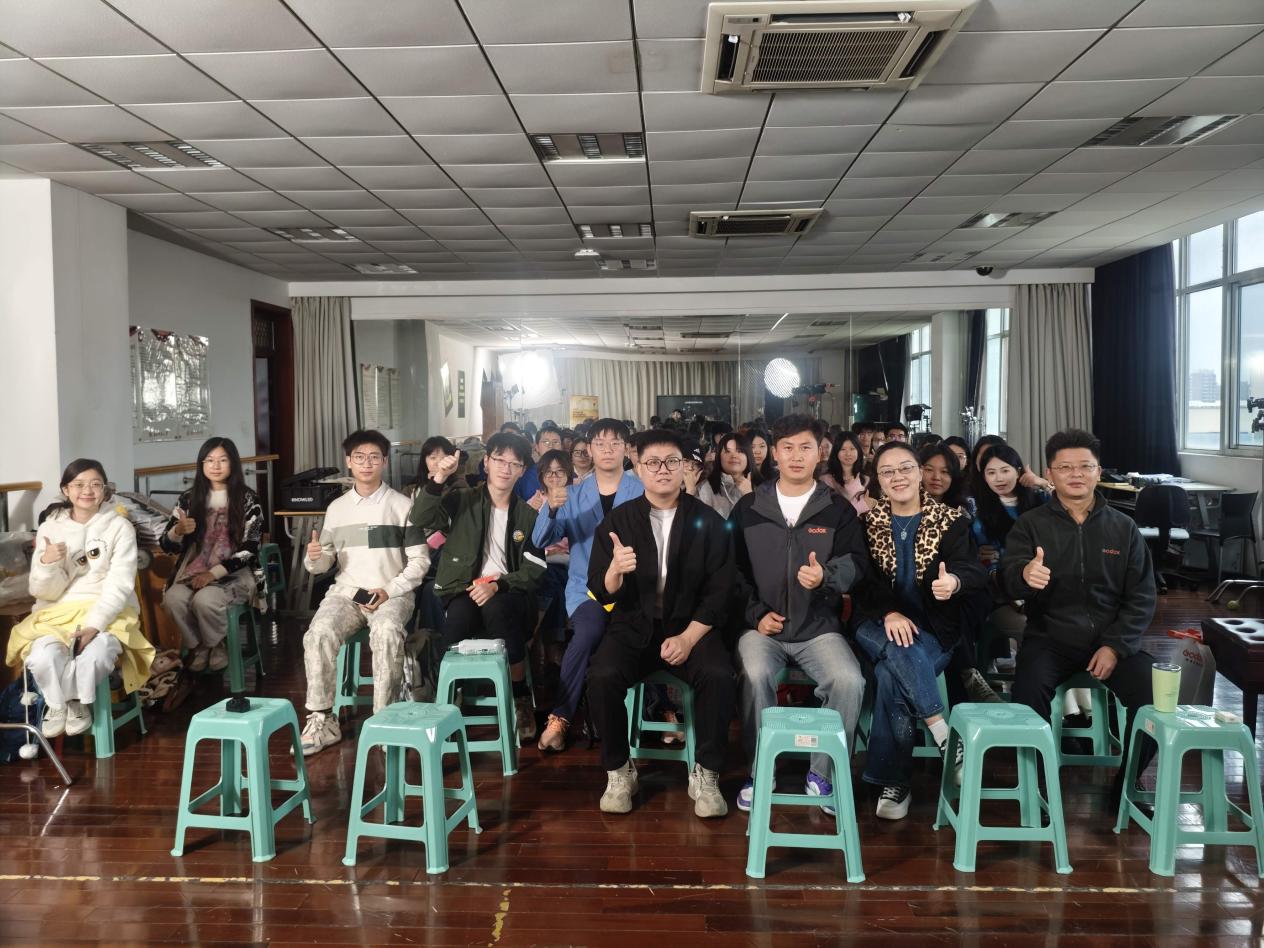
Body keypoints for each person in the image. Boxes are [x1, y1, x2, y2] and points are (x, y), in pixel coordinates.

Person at [1000, 429, 1158, 810]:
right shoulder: (1031, 525)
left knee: (1155, 698)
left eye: (1085, 466)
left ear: (1098, 471)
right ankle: (1039, 792)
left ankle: (1126, 787)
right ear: (1049, 474)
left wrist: (1115, 646)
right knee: (1027, 698)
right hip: (1049, 638)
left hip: (1109, 639)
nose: (1076, 474)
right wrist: (1024, 575)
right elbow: (1006, 576)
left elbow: (1142, 597)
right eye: (1065, 467)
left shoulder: (1123, 528)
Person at [586, 429, 735, 818]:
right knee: (601, 676)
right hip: (634, 626)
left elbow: (721, 591)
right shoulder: (619, 521)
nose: (663, 469)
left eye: (672, 461)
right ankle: (619, 770)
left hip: (692, 627)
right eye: (652, 462)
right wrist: (615, 570)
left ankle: (707, 772)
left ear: (685, 467)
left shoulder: (708, 521)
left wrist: (688, 638)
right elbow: (599, 589)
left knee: (719, 675)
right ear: (638, 468)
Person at [731, 414, 868, 813]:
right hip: (763, 628)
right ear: (774, 454)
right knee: (754, 674)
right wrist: (755, 613)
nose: (796, 456)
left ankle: (823, 773)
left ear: (819, 453)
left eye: (805, 447)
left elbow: (857, 562)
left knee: (849, 680)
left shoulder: (837, 509)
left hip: (818, 627)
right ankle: (761, 770)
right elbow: (730, 571)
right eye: (787, 447)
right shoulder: (749, 507)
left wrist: (826, 576)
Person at [852, 441, 989, 819]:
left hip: (933, 631)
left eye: (905, 468)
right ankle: (944, 734)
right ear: (878, 480)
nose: (897, 477)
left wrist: (954, 582)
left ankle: (894, 782)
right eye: (887, 472)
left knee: (890, 674)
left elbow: (973, 571)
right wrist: (890, 612)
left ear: (919, 473)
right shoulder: (866, 524)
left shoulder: (951, 522)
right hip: (875, 625)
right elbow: (861, 583)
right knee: (897, 645)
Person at [300, 430, 428, 755]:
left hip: (392, 593)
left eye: (374, 457)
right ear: (348, 461)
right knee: (318, 632)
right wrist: (314, 558)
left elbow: (420, 561)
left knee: (385, 632)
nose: (366, 463)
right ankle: (322, 719)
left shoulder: (403, 506)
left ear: (385, 461)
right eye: (359, 457)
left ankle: (385, 720)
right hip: (347, 593)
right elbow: (324, 560)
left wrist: (389, 590)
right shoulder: (337, 508)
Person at [413, 431, 546, 741]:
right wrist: (439, 479)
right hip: (463, 588)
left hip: (507, 592)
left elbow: (535, 568)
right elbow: (420, 518)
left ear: (522, 471)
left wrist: (500, 584)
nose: (506, 469)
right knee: (458, 619)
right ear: (486, 462)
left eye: (514, 464)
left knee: (497, 610)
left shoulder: (528, 516)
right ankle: (450, 695)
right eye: (500, 460)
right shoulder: (462, 500)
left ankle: (519, 696)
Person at [6, 460, 154, 739]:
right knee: (42, 656)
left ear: (105, 490)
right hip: (56, 611)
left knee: (96, 655)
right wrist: (47, 564)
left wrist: (94, 625)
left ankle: (76, 703)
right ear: (66, 490)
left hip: (108, 611)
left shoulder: (120, 527)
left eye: (95, 484)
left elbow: (119, 585)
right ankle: (58, 705)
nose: (87, 491)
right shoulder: (50, 528)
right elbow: (43, 592)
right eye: (79, 484)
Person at [533, 419, 645, 751]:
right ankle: (560, 716)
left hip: (634, 590)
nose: (607, 450)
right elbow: (540, 539)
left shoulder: (641, 489)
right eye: (600, 443)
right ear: (589, 450)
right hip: (587, 590)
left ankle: (659, 707)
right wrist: (551, 508)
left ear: (626, 450)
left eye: (615, 443)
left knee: (646, 632)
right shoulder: (572, 494)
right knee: (588, 631)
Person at [160, 437, 264, 673]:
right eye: (209, 460)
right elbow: (167, 545)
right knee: (173, 599)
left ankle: (216, 644)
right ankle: (200, 646)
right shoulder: (188, 499)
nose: (215, 466)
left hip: (235, 573)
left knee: (205, 600)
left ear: (233, 463)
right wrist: (177, 531)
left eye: (222, 460)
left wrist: (212, 574)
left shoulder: (248, 498)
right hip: (193, 571)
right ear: (201, 464)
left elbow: (251, 547)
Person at [696, 432, 756, 519]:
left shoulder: (763, 486)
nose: (734, 456)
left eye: (739, 451)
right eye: (727, 451)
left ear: (748, 456)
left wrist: (750, 496)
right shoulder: (706, 488)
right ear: (719, 456)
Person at [820, 430, 870, 514]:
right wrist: (862, 506)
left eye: (852, 449)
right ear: (836, 452)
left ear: (858, 451)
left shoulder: (866, 479)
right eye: (843, 449)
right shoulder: (826, 480)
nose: (848, 454)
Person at [515, 426, 562, 506]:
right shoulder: (523, 475)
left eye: (555, 442)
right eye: (545, 442)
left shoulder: (570, 473)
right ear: (537, 447)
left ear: (561, 447)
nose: (551, 445)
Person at [919, 443, 968, 512]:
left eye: (944, 471)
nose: (936, 477)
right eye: (929, 469)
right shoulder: (907, 509)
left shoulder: (960, 513)